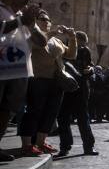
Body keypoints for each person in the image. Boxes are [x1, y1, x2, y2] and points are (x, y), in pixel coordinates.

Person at [19, 11, 77, 156]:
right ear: (36, 22)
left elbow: (71, 55)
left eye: (48, 19)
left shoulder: (56, 41)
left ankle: (41, 142)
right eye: (42, 19)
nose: (46, 21)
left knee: (50, 112)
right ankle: (26, 144)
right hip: (38, 78)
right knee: (34, 111)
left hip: (56, 81)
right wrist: (50, 33)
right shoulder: (32, 36)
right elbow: (37, 46)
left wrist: (72, 38)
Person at [0, 0, 45, 161]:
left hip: (20, 72)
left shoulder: (24, 16)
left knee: (8, 110)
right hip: (1, 70)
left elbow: (42, 42)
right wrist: (21, 21)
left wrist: (32, 25)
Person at [56, 31, 97, 156]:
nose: (81, 45)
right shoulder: (63, 48)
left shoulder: (85, 50)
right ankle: (65, 146)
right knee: (63, 117)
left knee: (82, 117)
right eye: (81, 41)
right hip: (67, 86)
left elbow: (90, 65)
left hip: (81, 87)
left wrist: (90, 69)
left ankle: (88, 146)